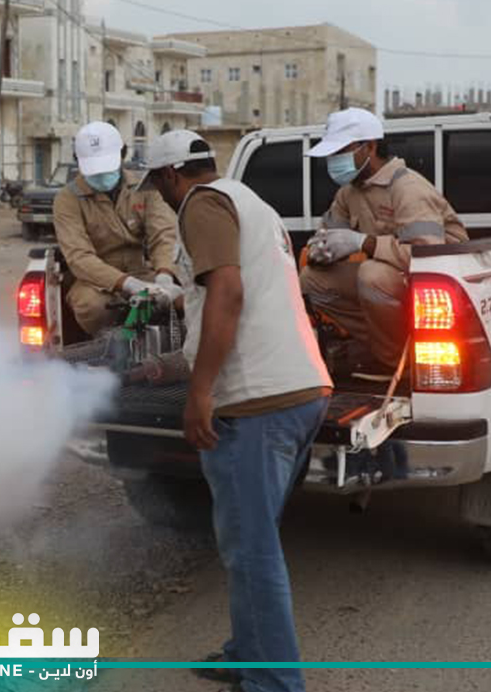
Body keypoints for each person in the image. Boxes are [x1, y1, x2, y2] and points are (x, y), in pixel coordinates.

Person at [137, 128, 332, 692]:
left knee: (252, 549)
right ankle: (248, 654)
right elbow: (228, 293)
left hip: (257, 402)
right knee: (249, 539)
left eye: (157, 185)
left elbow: (228, 292)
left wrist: (200, 392)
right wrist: (183, 306)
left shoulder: (201, 205)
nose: (159, 195)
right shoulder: (251, 202)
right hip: (302, 389)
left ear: (170, 175)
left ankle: (274, 681)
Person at [301, 108, 468, 373]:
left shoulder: (407, 188)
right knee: (312, 280)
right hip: (396, 285)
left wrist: (364, 243)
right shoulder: (348, 193)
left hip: (438, 288)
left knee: (372, 275)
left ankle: (394, 362)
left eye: (340, 152)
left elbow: (431, 256)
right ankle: (380, 346)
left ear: (370, 146)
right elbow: (327, 235)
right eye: (331, 154)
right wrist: (319, 251)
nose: (333, 160)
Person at [51, 120, 181, 335]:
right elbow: (79, 257)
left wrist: (164, 274)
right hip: (94, 281)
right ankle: (107, 345)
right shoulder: (67, 199)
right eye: (95, 169)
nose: (101, 175)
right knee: (92, 306)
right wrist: (126, 284)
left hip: (143, 273)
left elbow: (163, 234)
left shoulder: (145, 188)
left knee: (184, 297)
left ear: (123, 154)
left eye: (107, 167)